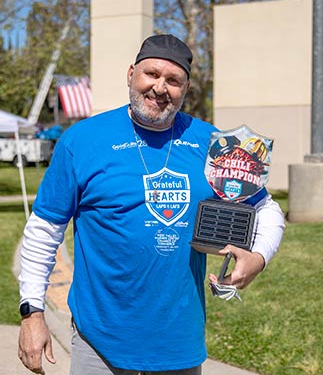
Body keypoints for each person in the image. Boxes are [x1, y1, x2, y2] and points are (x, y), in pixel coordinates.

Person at [18, 34, 285, 375]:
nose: (161, 88)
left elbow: (266, 208)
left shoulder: (213, 143)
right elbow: (44, 229)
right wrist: (32, 313)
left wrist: (259, 256)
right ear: (131, 74)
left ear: (185, 88)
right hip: (99, 342)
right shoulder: (83, 140)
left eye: (174, 80)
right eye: (152, 74)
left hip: (178, 344)